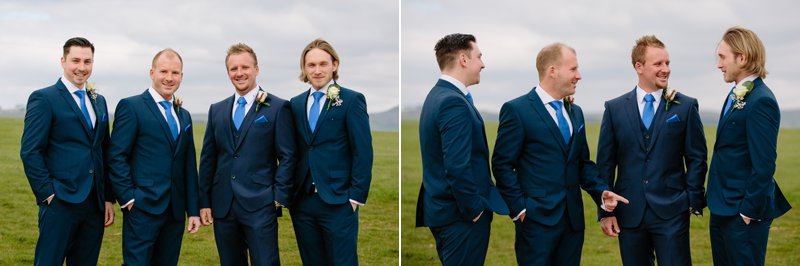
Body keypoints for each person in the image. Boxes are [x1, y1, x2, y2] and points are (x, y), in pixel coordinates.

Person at [491, 42, 628, 265]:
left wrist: (602, 193)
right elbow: (502, 164)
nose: (579, 76)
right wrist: (520, 209)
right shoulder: (517, 110)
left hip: (572, 223)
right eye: (573, 69)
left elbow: (582, 163)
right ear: (552, 71)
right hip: (535, 221)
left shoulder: (575, 112)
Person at [595, 35, 708, 265]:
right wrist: (606, 212)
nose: (665, 69)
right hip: (629, 213)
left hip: (672, 212)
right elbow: (605, 163)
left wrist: (691, 199)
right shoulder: (614, 108)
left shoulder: (685, 106)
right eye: (658, 64)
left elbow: (697, 157)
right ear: (639, 66)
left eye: (667, 63)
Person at [20, 37, 115, 266]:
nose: (81, 67)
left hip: (94, 204)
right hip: (59, 201)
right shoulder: (44, 98)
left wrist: (108, 198)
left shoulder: (98, 101)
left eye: (87, 61)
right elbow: (30, 151)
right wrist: (48, 194)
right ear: (63, 61)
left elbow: (103, 150)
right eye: (75, 60)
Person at [415, 33, 509, 266]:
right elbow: (457, 165)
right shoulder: (452, 102)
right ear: (463, 59)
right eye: (479, 57)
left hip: (445, 211)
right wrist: (474, 211)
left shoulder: (437, 95)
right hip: (460, 216)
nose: (483, 64)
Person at [198, 43, 296, 266]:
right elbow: (208, 159)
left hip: (261, 204)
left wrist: (278, 197)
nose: (239, 73)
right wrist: (204, 201)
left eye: (245, 67)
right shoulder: (217, 110)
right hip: (223, 206)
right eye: (233, 69)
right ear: (228, 72)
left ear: (256, 69)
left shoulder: (277, 107)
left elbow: (288, 156)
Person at [108, 48, 201, 265]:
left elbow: (188, 164)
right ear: (152, 72)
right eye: (163, 71)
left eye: (175, 73)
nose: (169, 78)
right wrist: (129, 199)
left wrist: (193, 210)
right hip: (142, 206)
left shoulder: (184, 115)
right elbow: (116, 156)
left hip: (175, 211)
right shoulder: (131, 107)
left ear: (181, 76)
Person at [707, 26, 791, 266]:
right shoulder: (736, 94)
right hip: (723, 207)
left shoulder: (761, 100)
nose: (718, 64)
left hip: (742, 214)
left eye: (722, 57)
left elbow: (764, 164)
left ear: (741, 57)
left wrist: (747, 213)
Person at [289, 38, 373, 265]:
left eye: (323, 64)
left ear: (334, 65)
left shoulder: (351, 100)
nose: (317, 70)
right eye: (311, 65)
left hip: (338, 201)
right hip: (303, 202)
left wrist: (355, 197)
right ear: (304, 68)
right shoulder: (295, 104)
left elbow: (363, 152)